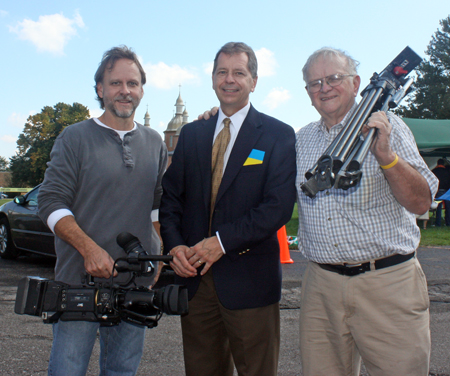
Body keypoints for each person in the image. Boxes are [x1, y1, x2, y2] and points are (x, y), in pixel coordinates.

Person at [295, 47, 439, 376]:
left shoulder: (389, 127)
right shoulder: (301, 140)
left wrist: (386, 156)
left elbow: (420, 202)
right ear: (307, 93)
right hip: (321, 286)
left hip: (386, 284)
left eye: (333, 78)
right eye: (314, 83)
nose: (324, 88)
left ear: (357, 82)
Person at [159, 42, 296, 376]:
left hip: (249, 281)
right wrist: (175, 245)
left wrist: (220, 243)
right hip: (195, 280)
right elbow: (171, 198)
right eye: (222, 72)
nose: (229, 79)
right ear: (212, 78)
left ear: (254, 81)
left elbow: (276, 208)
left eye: (239, 72)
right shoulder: (192, 133)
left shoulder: (278, 135)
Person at [38, 46, 168, 376]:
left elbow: (156, 207)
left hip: (134, 282)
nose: (125, 91)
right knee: (67, 370)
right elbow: (51, 202)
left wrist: (157, 254)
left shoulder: (155, 143)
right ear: (100, 88)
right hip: (78, 282)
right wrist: (89, 249)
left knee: (121, 371)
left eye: (133, 83)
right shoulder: (74, 137)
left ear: (141, 89)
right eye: (116, 83)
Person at [432, 158, 450, 226]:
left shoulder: (434, 171)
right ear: (443, 164)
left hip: (438, 191)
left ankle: (438, 223)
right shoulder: (447, 171)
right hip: (447, 191)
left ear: (437, 163)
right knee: (448, 208)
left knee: (438, 207)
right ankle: (448, 223)